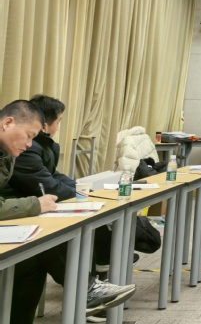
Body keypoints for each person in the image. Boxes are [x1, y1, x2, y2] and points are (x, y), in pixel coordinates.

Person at [0, 99, 136, 324]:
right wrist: (35, 204)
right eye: (29, 136)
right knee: (43, 244)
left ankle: (86, 289)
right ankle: (86, 290)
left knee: (34, 259)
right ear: (8, 123)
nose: (29, 144)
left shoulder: (7, 153)